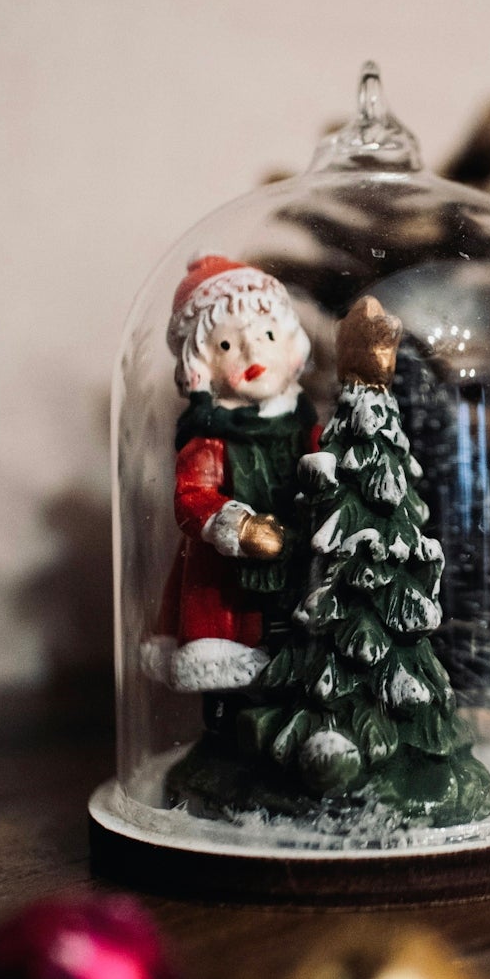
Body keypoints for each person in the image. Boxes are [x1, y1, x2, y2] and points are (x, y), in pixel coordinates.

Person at [155, 254, 319, 696]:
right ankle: (230, 724)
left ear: (290, 346)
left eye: (266, 335)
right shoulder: (209, 438)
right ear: (201, 366)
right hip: (227, 580)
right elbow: (191, 496)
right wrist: (238, 526)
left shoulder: (303, 425)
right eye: (227, 345)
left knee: (295, 647)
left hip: (300, 563)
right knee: (234, 672)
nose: (251, 353)